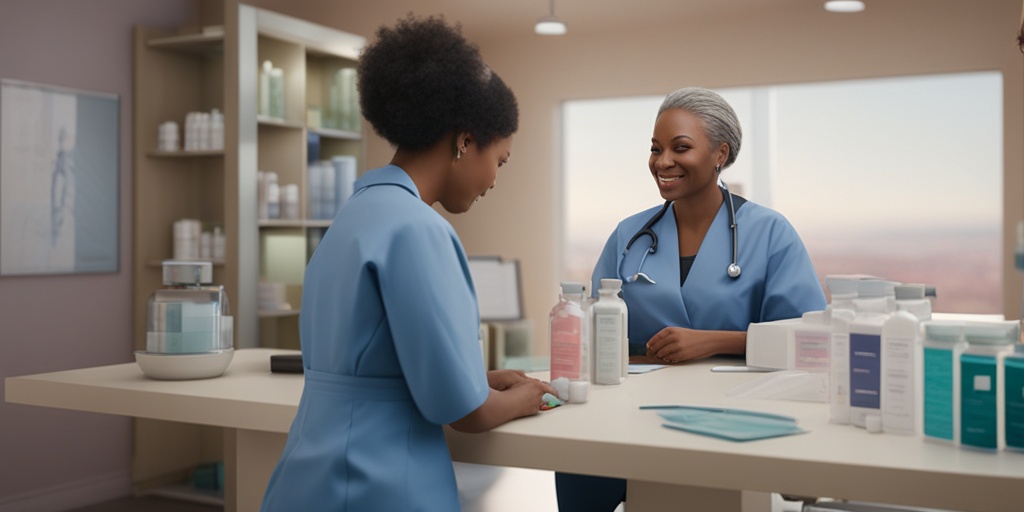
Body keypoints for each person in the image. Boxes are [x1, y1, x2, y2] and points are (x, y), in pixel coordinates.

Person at [260, 15, 555, 512]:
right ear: (465, 140)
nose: (493, 181)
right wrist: (528, 398)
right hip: (380, 482)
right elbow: (465, 412)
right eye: (499, 161)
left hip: (307, 475)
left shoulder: (352, 215)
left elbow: (374, 364)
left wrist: (477, 376)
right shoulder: (420, 229)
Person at [555, 87, 827, 512]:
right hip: (632, 414)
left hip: (732, 420)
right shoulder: (629, 236)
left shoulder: (770, 232)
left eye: (680, 147)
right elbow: (593, 330)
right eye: (655, 149)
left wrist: (714, 340)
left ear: (720, 153)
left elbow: (810, 340)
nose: (663, 161)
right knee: (581, 462)